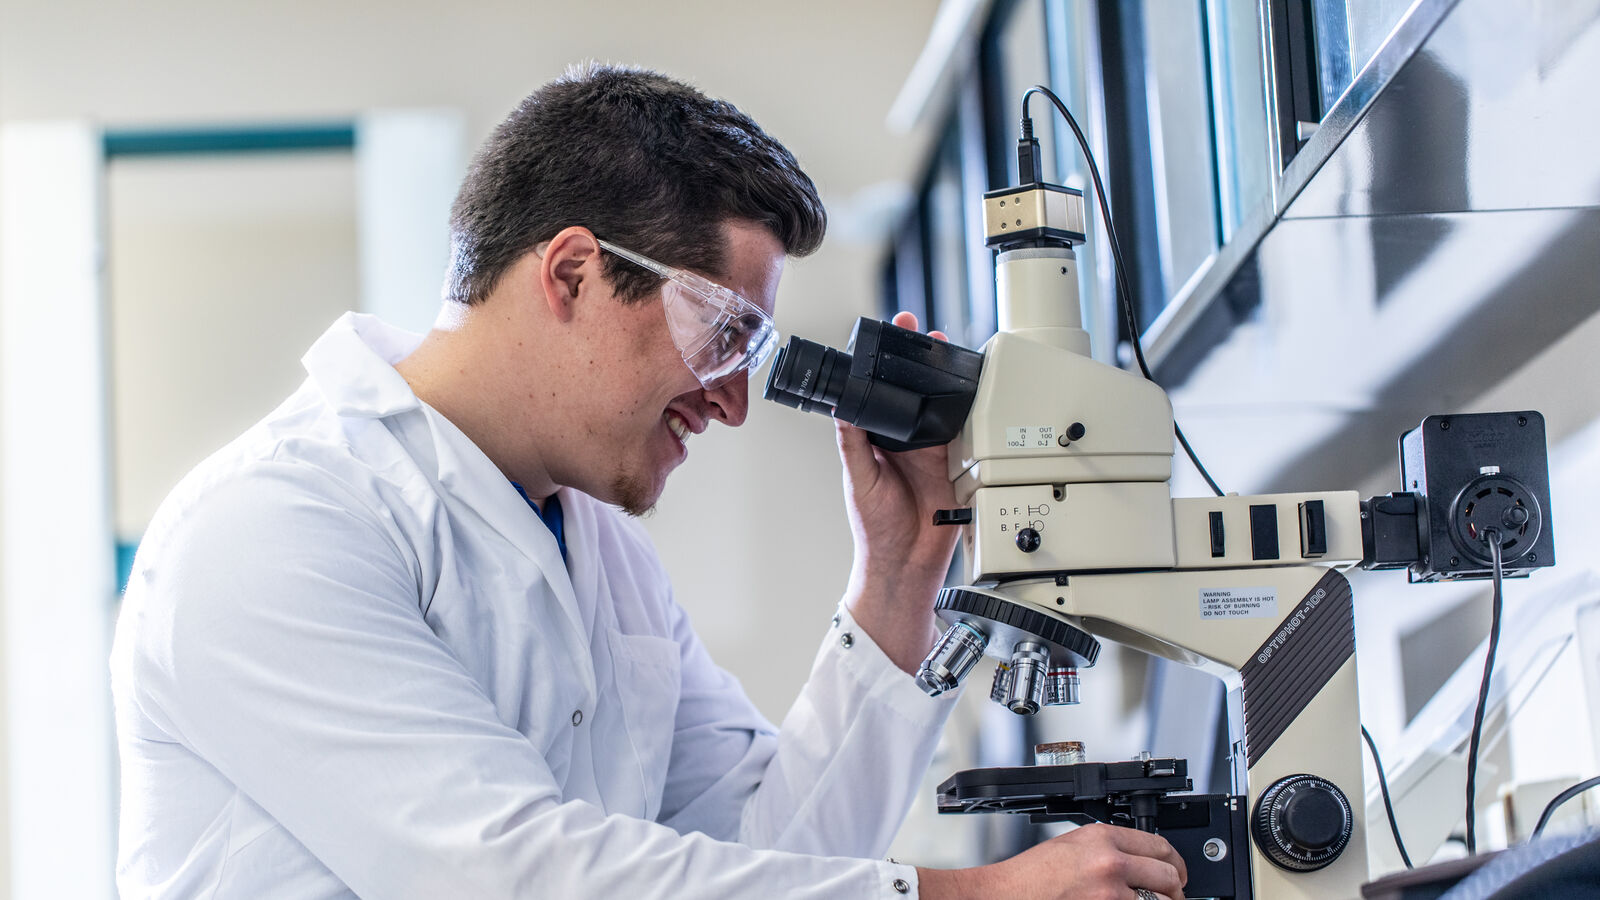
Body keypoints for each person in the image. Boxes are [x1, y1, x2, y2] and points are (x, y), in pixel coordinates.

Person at [110, 63, 1186, 899]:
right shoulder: (276, 525)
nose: (732, 403)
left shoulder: (597, 546)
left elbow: (769, 850)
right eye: (724, 334)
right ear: (573, 271)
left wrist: (899, 579)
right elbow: (511, 876)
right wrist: (973, 894)